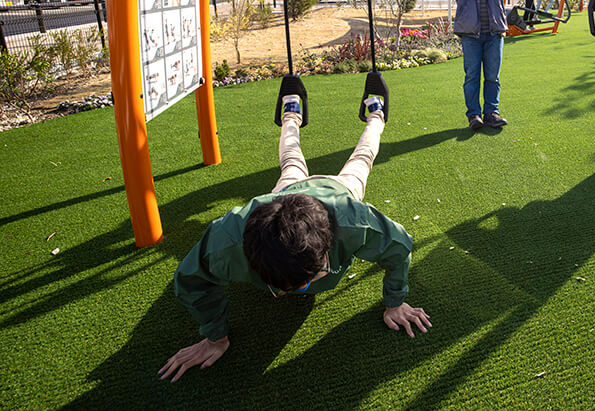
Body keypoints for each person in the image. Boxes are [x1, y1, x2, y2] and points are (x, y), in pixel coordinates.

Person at [158, 94, 431, 383]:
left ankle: (375, 114)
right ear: (251, 256)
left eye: (315, 275)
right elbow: (189, 280)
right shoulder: (226, 241)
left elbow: (400, 246)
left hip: (336, 189)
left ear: (329, 242)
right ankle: (291, 113)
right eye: (287, 287)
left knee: (362, 159)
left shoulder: (354, 221)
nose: (304, 288)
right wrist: (215, 338)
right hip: (281, 197)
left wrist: (395, 303)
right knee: (290, 161)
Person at [443, 0, 518, 130]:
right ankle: (474, 115)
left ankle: (492, 113)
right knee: (472, 76)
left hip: (494, 33)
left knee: (493, 76)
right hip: (471, 35)